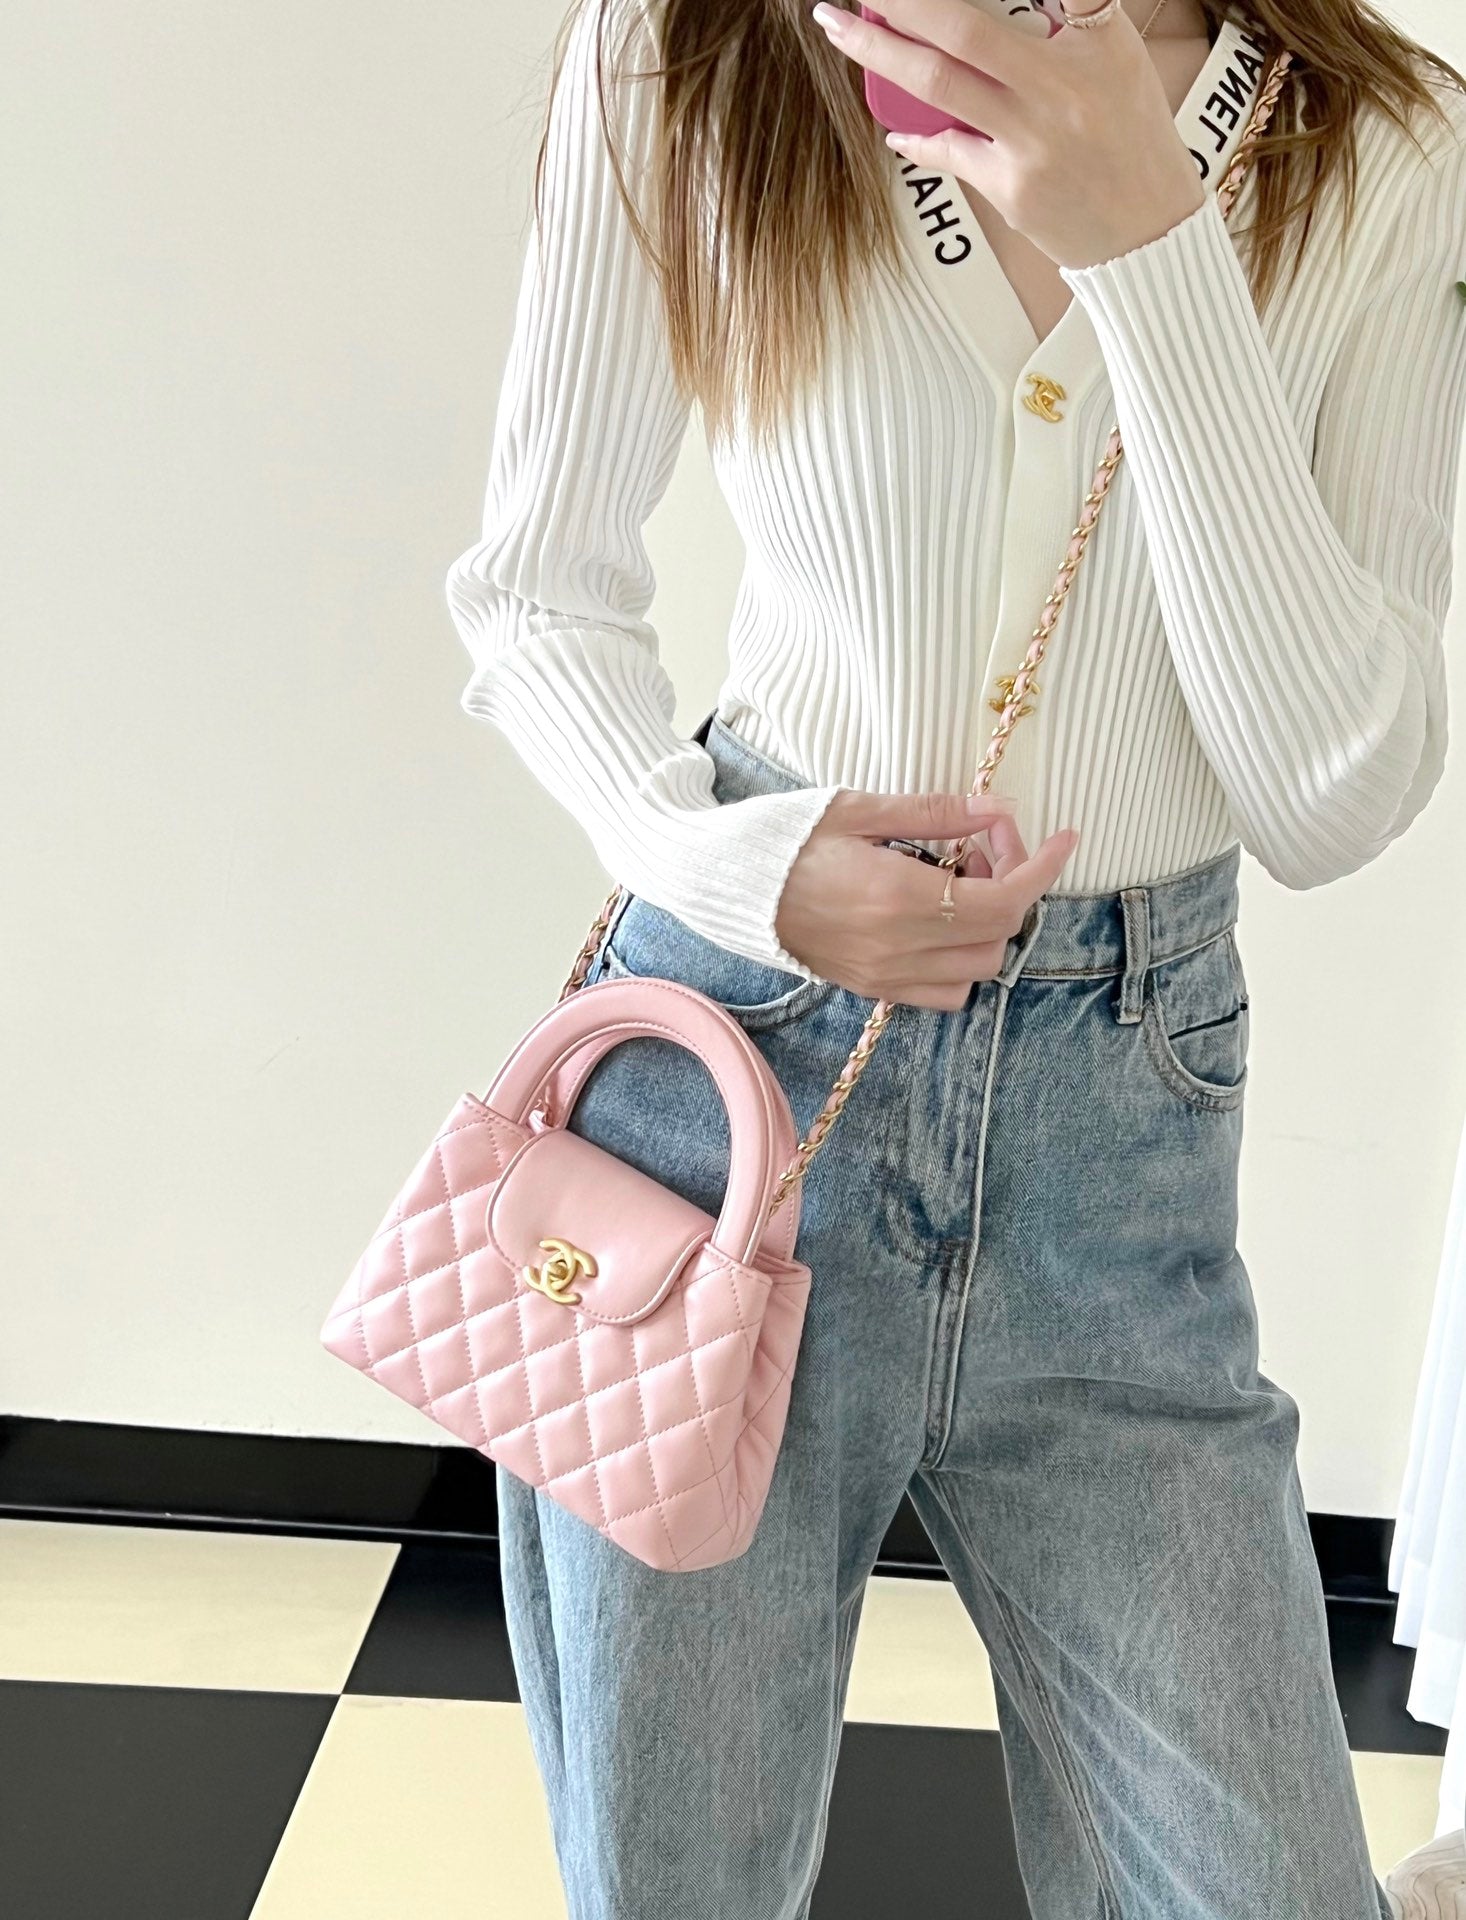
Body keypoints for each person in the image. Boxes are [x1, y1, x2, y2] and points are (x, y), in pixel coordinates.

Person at [443, 0, 1466, 1912]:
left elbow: (1330, 794)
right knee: (676, 1884)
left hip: (1120, 1145)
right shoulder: (691, 51)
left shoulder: (1381, 145)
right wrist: (733, 862)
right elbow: (535, 588)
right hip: (725, 1101)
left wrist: (1150, 245)